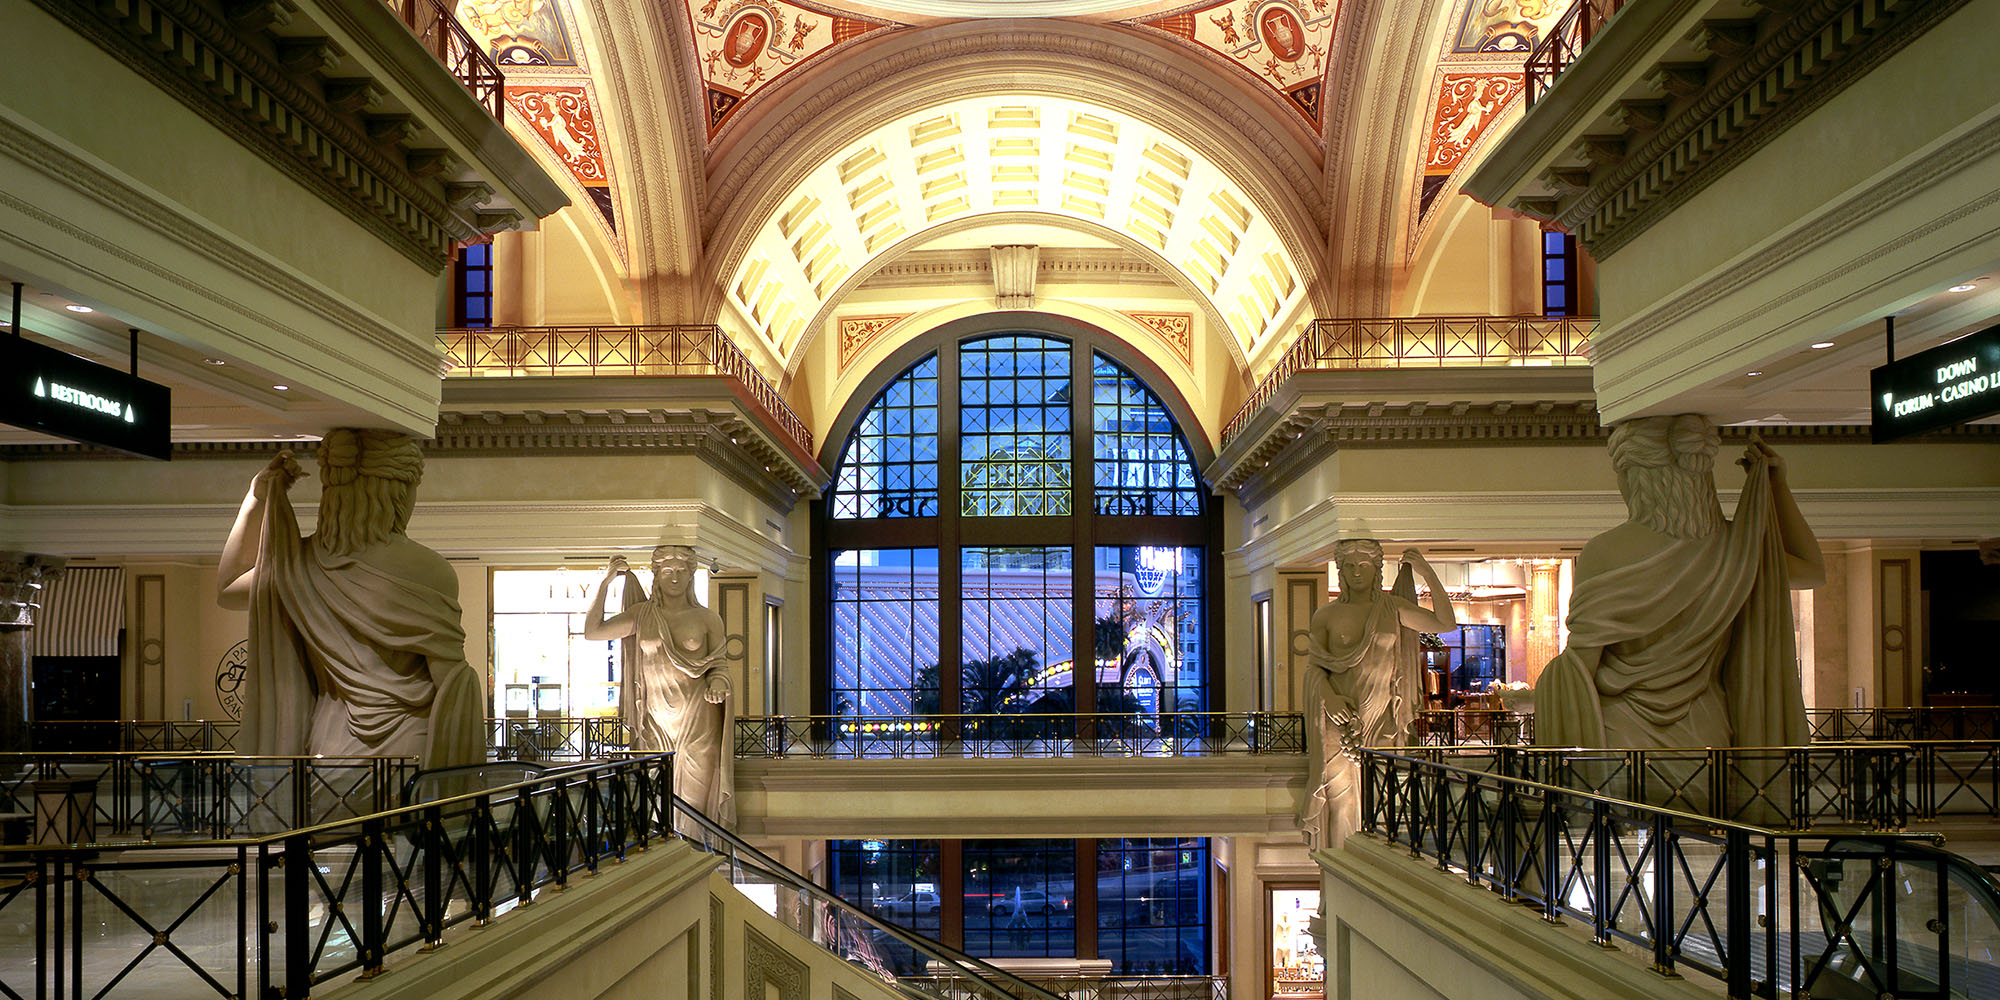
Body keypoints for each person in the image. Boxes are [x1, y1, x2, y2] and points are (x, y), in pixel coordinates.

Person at [1535, 416, 1825, 750]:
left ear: (1637, 477)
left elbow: (1580, 668)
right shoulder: (1736, 548)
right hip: (1709, 736)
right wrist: (1778, 486)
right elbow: (1812, 571)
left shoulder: (1605, 551)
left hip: (1624, 735)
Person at [217, 431, 482, 770]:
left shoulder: (299, 567)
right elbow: (450, 685)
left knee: (332, 827)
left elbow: (227, 587)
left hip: (328, 750)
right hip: (407, 749)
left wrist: (256, 497)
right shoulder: (430, 570)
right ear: (396, 491)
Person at [1299, 539, 1457, 849]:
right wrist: (1329, 698)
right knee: (1342, 801)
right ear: (1341, 571)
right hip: (1339, 720)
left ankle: (1372, 866)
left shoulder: (1392, 608)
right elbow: (1314, 669)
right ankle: (1343, 872)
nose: (1357, 572)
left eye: (1364, 565)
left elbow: (1445, 623)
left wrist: (1427, 573)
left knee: (1381, 800)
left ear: (1377, 570)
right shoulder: (1326, 616)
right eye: (1350, 566)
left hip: (1381, 718)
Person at [584, 545, 735, 827]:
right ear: (657, 575)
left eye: (681, 571)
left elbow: (720, 666)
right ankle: (668, 857)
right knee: (657, 798)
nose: (674, 578)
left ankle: (694, 859)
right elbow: (593, 632)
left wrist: (717, 681)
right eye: (667, 571)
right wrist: (606, 583)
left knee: (692, 807)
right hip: (655, 723)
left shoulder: (708, 618)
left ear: (691, 575)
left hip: (698, 722)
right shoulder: (642, 614)